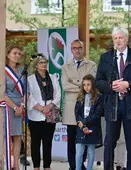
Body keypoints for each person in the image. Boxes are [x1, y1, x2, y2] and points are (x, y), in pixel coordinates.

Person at [96, 26, 131, 170]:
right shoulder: (106, 57)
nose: (118, 40)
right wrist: (111, 85)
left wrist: (128, 84)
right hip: (112, 106)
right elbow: (98, 82)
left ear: (126, 39)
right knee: (109, 143)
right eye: (115, 38)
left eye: (120, 37)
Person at [61, 39, 97, 170]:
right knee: (71, 140)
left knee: (84, 138)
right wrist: (82, 85)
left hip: (86, 107)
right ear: (71, 50)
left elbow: (91, 83)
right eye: (74, 48)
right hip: (71, 108)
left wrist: (74, 82)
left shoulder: (91, 65)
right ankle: (72, 166)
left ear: (83, 49)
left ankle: (80, 165)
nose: (77, 50)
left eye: (79, 48)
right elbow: (65, 85)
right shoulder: (65, 67)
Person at [27, 56, 61, 170]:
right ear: (36, 65)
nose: (44, 64)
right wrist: (41, 108)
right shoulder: (30, 79)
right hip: (35, 116)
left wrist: (49, 107)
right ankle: (36, 166)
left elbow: (58, 94)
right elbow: (29, 96)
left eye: (45, 62)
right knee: (35, 143)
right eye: (41, 62)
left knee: (48, 142)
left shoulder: (53, 77)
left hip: (50, 115)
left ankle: (47, 166)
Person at [75, 74, 103, 170]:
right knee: (79, 151)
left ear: (93, 85)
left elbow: (97, 114)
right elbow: (77, 113)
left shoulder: (99, 97)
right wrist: (82, 125)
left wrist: (85, 123)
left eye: (88, 84)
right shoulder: (80, 97)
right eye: (84, 85)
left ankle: (89, 168)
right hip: (81, 127)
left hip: (93, 127)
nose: (86, 87)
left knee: (91, 151)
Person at [4, 45, 25, 170]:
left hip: (20, 107)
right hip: (7, 107)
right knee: (7, 137)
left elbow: (26, 91)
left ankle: (16, 165)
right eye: (14, 53)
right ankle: (7, 163)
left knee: (18, 136)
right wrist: (14, 107)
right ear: (8, 55)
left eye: (19, 54)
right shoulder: (3, 71)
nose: (17, 56)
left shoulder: (22, 71)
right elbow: (2, 93)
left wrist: (21, 106)